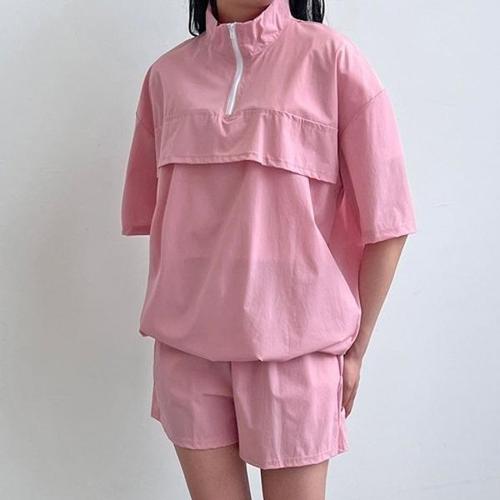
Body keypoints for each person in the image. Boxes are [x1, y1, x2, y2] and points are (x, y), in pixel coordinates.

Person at [120, 0, 417, 498]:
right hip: (187, 354)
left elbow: (388, 221)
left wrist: (355, 348)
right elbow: (158, 220)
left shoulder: (332, 60)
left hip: (296, 351)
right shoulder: (165, 78)